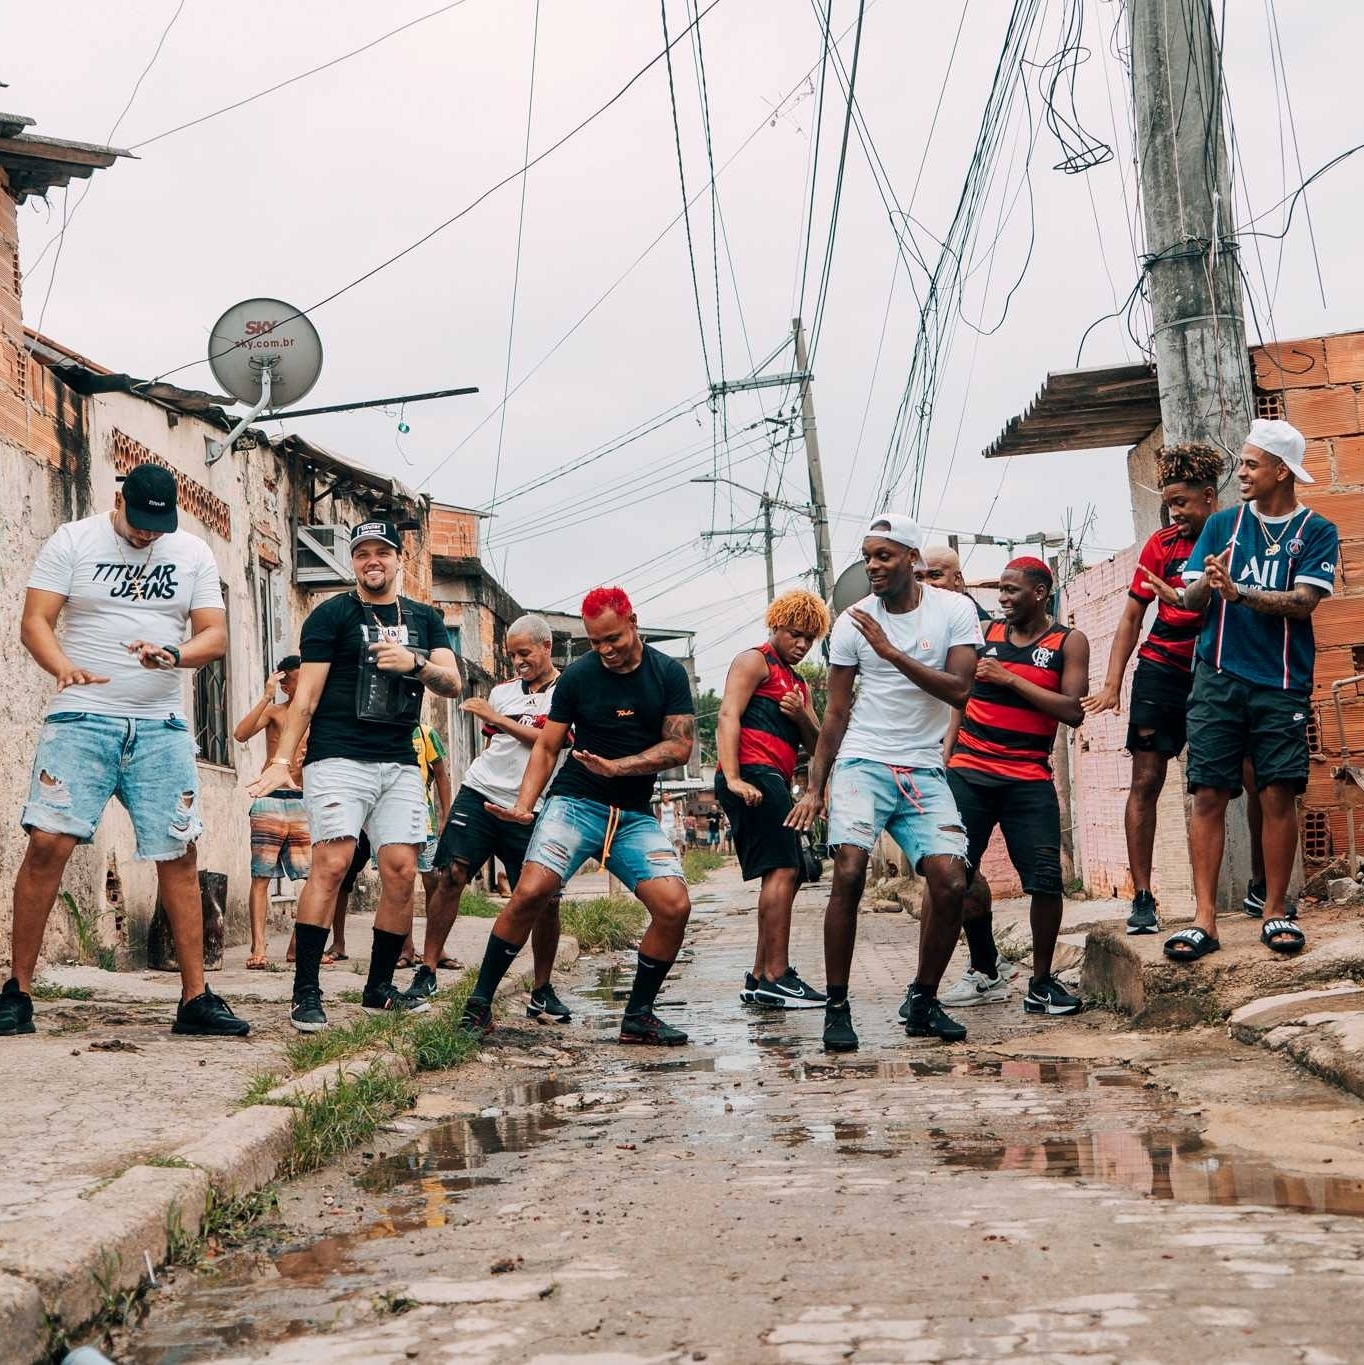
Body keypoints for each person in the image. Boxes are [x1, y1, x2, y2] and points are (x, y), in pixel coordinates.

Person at [1, 464, 249, 1038]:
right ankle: (17, 992)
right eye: (138, 523)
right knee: (47, 844)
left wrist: (173, 653)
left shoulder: (191, 553)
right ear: (119, 501)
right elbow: (35, 620)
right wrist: (61, 665)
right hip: (81, 720)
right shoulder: (74, 540)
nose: (145, 535)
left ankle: (195, 1000)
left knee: (179, 852)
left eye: (156, 526)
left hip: (160, 726)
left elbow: (213, 634)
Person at [247, 518, 462, 1033]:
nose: (372, 561)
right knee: (333, 862)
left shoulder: (425, 620)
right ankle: (306, 993)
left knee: (402, 870)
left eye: (381, 552)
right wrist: (282, 762)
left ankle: (379, 988)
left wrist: (413, 664)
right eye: (362, 552)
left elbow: (451, 683)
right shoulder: (331, 615)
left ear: (397, 560)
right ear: (354, 561)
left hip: (399, 761)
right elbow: (307, 696)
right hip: (338, 756)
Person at [462, 586, 695, 1046]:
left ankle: (639, 1016)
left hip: (632, 814)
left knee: (675, 907)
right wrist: (524, 805)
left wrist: (619, 767)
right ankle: (478, 1006)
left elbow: (680, 745)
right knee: (533, 890)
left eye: (613, 638)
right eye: (595, 642)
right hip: (576, 802)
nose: (605, 650)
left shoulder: (667, 674)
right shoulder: (579, 678)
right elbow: (548, 745)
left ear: (634, 622)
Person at [787, 514, 981, 1053]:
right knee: (848, 871)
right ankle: (837, 1005)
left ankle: (922, 998)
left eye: (884, 555)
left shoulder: (955, 611)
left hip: (922, 767)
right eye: (868, 555)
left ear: (913, 561)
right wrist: (815, 785)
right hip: (864, 761)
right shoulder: (852, 622)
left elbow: (960, 691)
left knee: (950, 881)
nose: (872, 565)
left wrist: (893, 653)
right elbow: (836, 712)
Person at [1165, 419, 1336, 963]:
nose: (1240, 472)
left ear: (1281, 470)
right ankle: (1204, 921)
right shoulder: (1222, 526)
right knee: (1208, 793)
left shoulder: (1317, 530)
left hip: (1281, 682)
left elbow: (1305, 601)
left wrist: (1241, 594)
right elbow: (1196, 600)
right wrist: (1193, 589)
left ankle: (1276, 913)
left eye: (1250, 464)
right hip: (1217, 675)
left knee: (1277, 794)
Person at [936, 558, 1090, 1016]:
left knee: (1045, 882)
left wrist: (1009, 678)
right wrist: (947, 755)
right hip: (970, 773)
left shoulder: (1068, 642)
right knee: (952, 875)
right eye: (1000, 590)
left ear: (1040, 593)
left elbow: (1072, 709)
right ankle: (983, 967)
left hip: (1028, 777)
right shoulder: (984, 638)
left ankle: (1041, 984)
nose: (1002, 598)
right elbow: (958, 697)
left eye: (1011, 590)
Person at [1081, 443, 1222, 935]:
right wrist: (1113, 683)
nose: (1174, 513)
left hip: (1216, 671)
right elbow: (1131, 616)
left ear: (1208, 497)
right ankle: (1143, 899)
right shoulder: (1160, 545)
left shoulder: (1234, 540)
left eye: (1181, 503)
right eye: (1168, 505)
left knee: (1230, 778)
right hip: (1161, 671)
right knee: (1146, 780)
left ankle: (1256, 888)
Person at [412, 614, 571, 1023]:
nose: (518, 661)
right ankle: (427, 970)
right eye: (512, 655)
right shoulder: (502, 693)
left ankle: (542, 989)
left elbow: (550, 741)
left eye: (525, 653)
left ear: (546, 647)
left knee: (544, 901)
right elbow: (502, 743)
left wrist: (499, 720)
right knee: (451, 876)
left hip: (534, 806)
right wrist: (501, 717)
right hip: (481, 792)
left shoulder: (569, 692)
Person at [716, 589, 829, 1008]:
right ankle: (777, 977)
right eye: (794, 635)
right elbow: (727, 715)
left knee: (791, 871)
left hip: (775, 779)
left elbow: (819, 746)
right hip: (753, 775)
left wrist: (802, 715)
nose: (801, 645)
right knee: (784, 869)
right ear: (776, 626)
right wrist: (731, 777)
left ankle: (761, 975)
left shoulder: (798, 685)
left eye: (809, 640)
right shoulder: (754, 661)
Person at [918, 543, 1019, 988]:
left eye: (936, 576)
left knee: (952, 869)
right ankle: (985, 963)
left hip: (976, 764)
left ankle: (936, 984)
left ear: (958, 581)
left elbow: (964, 697)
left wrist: (948, 752)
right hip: (933, 761)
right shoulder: (916, 627)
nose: (927, 585)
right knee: (955, 869)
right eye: (920, 576)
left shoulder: (982, 630)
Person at [234, 656, 310, 969]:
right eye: (292, 680)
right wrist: (266, 695)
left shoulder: (315, 714)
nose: (298, 686)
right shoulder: (276, 711)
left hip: (302, 801)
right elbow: (240, 734)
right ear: (283, 681)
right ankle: (258, 949)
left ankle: (298, 946)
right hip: (270, 799)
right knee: (261, 876)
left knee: (311, 878)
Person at [397, 721, 451, 969]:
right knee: (400, 883)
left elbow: (441, 775)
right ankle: (405, 949)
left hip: (424, 821)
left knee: (434, 882)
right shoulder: (383, 730)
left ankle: (436, 950)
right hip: (394, 822)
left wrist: (445, 815)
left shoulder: (426, 733)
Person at [916, 544, 992, 622]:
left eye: (935, 576)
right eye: (918, 578)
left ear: (957, 578)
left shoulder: (974, 619)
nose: (925, 584)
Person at [658, 793, 685, 861]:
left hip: (672, 825)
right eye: (663, 796)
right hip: (663, 826)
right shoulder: (660, 806)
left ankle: (678, 858)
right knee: (666, 842)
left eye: (666, 796)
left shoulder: (672, 804)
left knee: (675, 842)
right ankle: (668, 858)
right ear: (662, 798)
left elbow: (676, 815)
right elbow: (659, 817)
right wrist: (658, 825)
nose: (665, 797)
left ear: (669, 797)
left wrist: (676, 823)